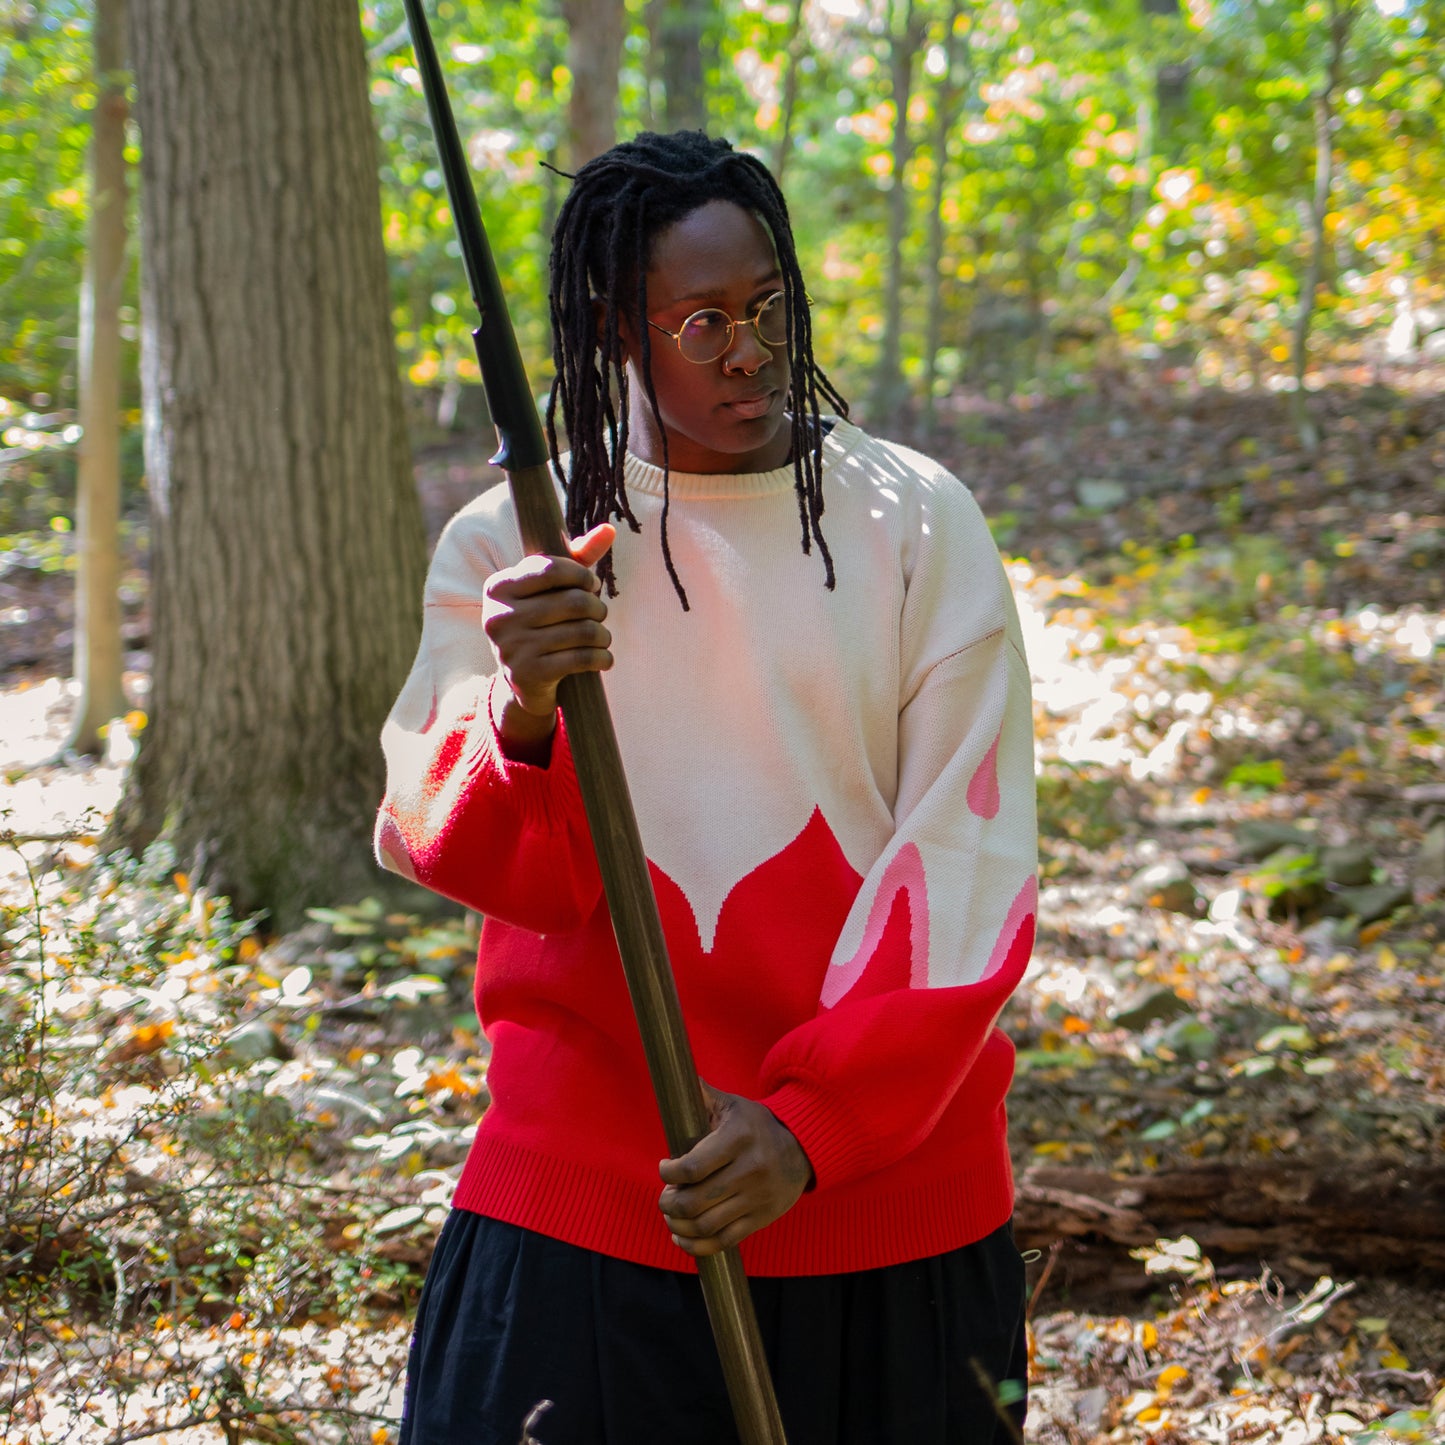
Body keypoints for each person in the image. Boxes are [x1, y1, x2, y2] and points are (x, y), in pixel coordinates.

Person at [376, 130, 1038, 1445]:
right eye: (703, 322)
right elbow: (453, 844)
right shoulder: (517, 547)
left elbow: (969, 862)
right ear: (613, 330)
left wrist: (812, 1126)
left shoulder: (912, 519)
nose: (752, 350)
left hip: (887, 1198)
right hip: (590, 1202)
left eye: (770, 307)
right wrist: (522, 708)